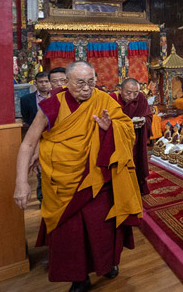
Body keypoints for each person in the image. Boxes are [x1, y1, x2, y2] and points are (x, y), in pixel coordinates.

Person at [13, 61, 141, 292]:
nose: (86, 88)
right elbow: (28, 143)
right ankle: (78, 277)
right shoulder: (52, 105)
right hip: (62, 182)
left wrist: (109, 128)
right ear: (66, 83)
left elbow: (127, 128)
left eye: (91, 82)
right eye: (80, 83)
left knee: (103, 229)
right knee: (71, 236)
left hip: (97, 178)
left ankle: (108, 263)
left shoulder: (103, 100)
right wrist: (21, 182)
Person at [111, 78, 153, 195]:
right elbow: (108, 120)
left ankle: (138, 188)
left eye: (135, 93)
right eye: (128, 93)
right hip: (118, 140)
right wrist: (127, 124)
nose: (132, 96)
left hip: (136, 139)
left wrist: (144, 120)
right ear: (120, 90)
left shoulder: (141, 98)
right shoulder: (111, 99)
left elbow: (148, 115)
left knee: (137, 161)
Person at [20, 72, 52, 203]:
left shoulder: (56, 98)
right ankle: (41, 198)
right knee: (39, 168)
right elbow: (26, 117)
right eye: (41, 82)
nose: (44, 84)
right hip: (36, 137)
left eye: (46, 81)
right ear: (36, 83)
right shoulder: (26, 99)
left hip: (51, 136)